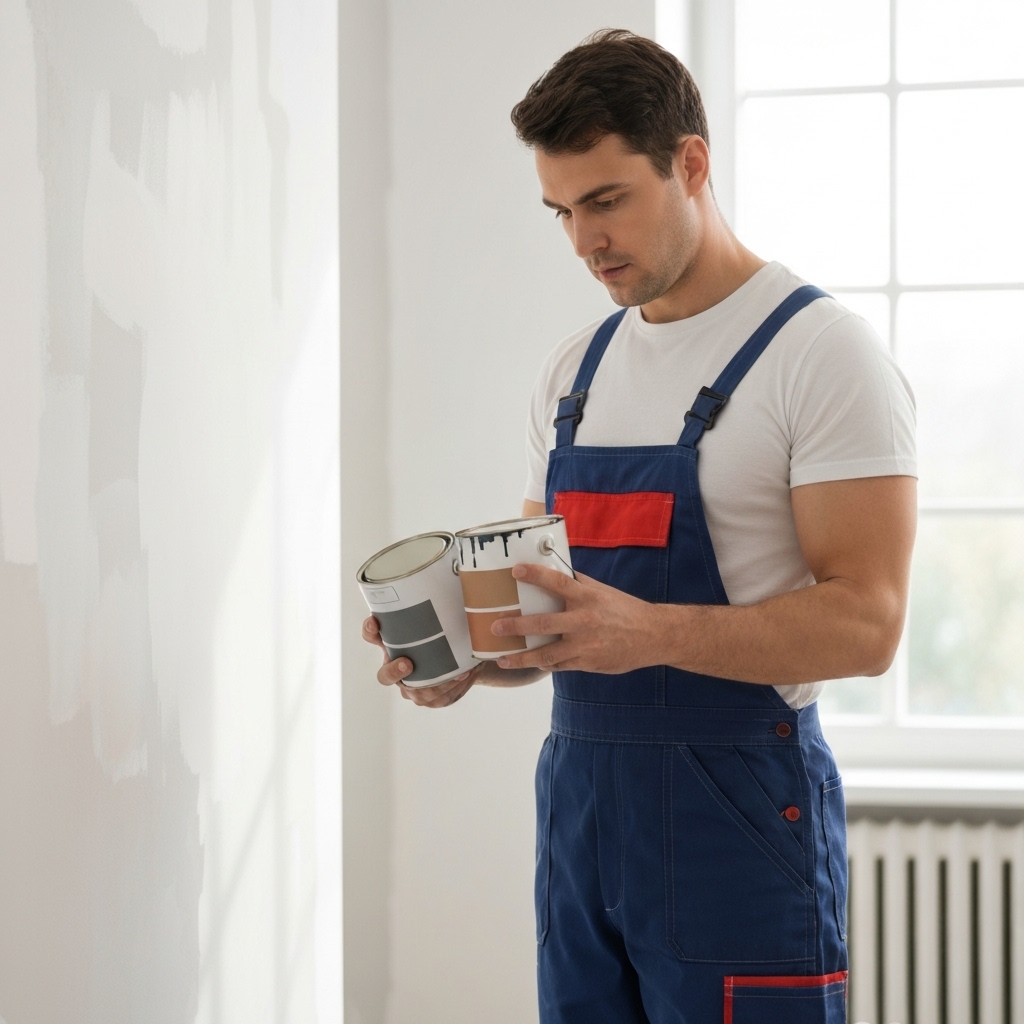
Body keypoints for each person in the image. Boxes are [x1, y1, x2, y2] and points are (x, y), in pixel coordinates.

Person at [363, 29, 916, 1024]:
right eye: (562, 212)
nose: (584, 241)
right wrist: (473, 659)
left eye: (606, 199)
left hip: (739, 815)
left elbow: (867, 625)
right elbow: (560, 618)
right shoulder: (572, 372)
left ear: (690, 163)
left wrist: (648, 632)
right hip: (580, 809)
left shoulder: (821, 356)